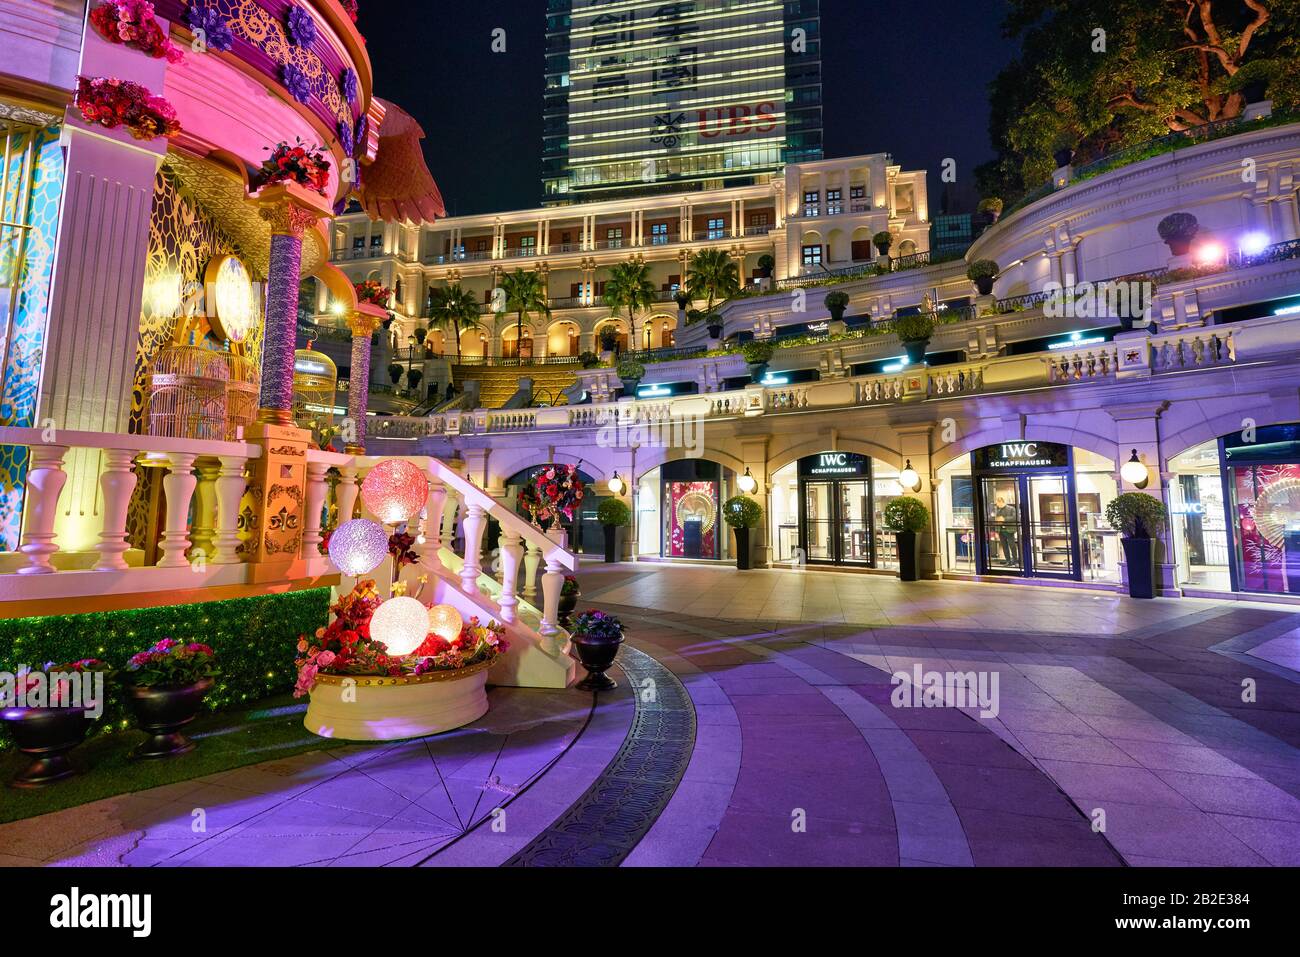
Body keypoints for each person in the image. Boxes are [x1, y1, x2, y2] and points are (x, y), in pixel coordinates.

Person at [992, 494, 1019, 567]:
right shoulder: (998, 510)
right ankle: (1008, 561)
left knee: (1012, 546)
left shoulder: (1011, 508)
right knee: (1004, 546)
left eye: (997, 503)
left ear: (1001, 502)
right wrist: (997, 532)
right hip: (1001, 531)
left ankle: (1015, 561)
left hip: (1009, 530)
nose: (997, 505)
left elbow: (1015, 517)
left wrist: (1004, 519)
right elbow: (997, 521)